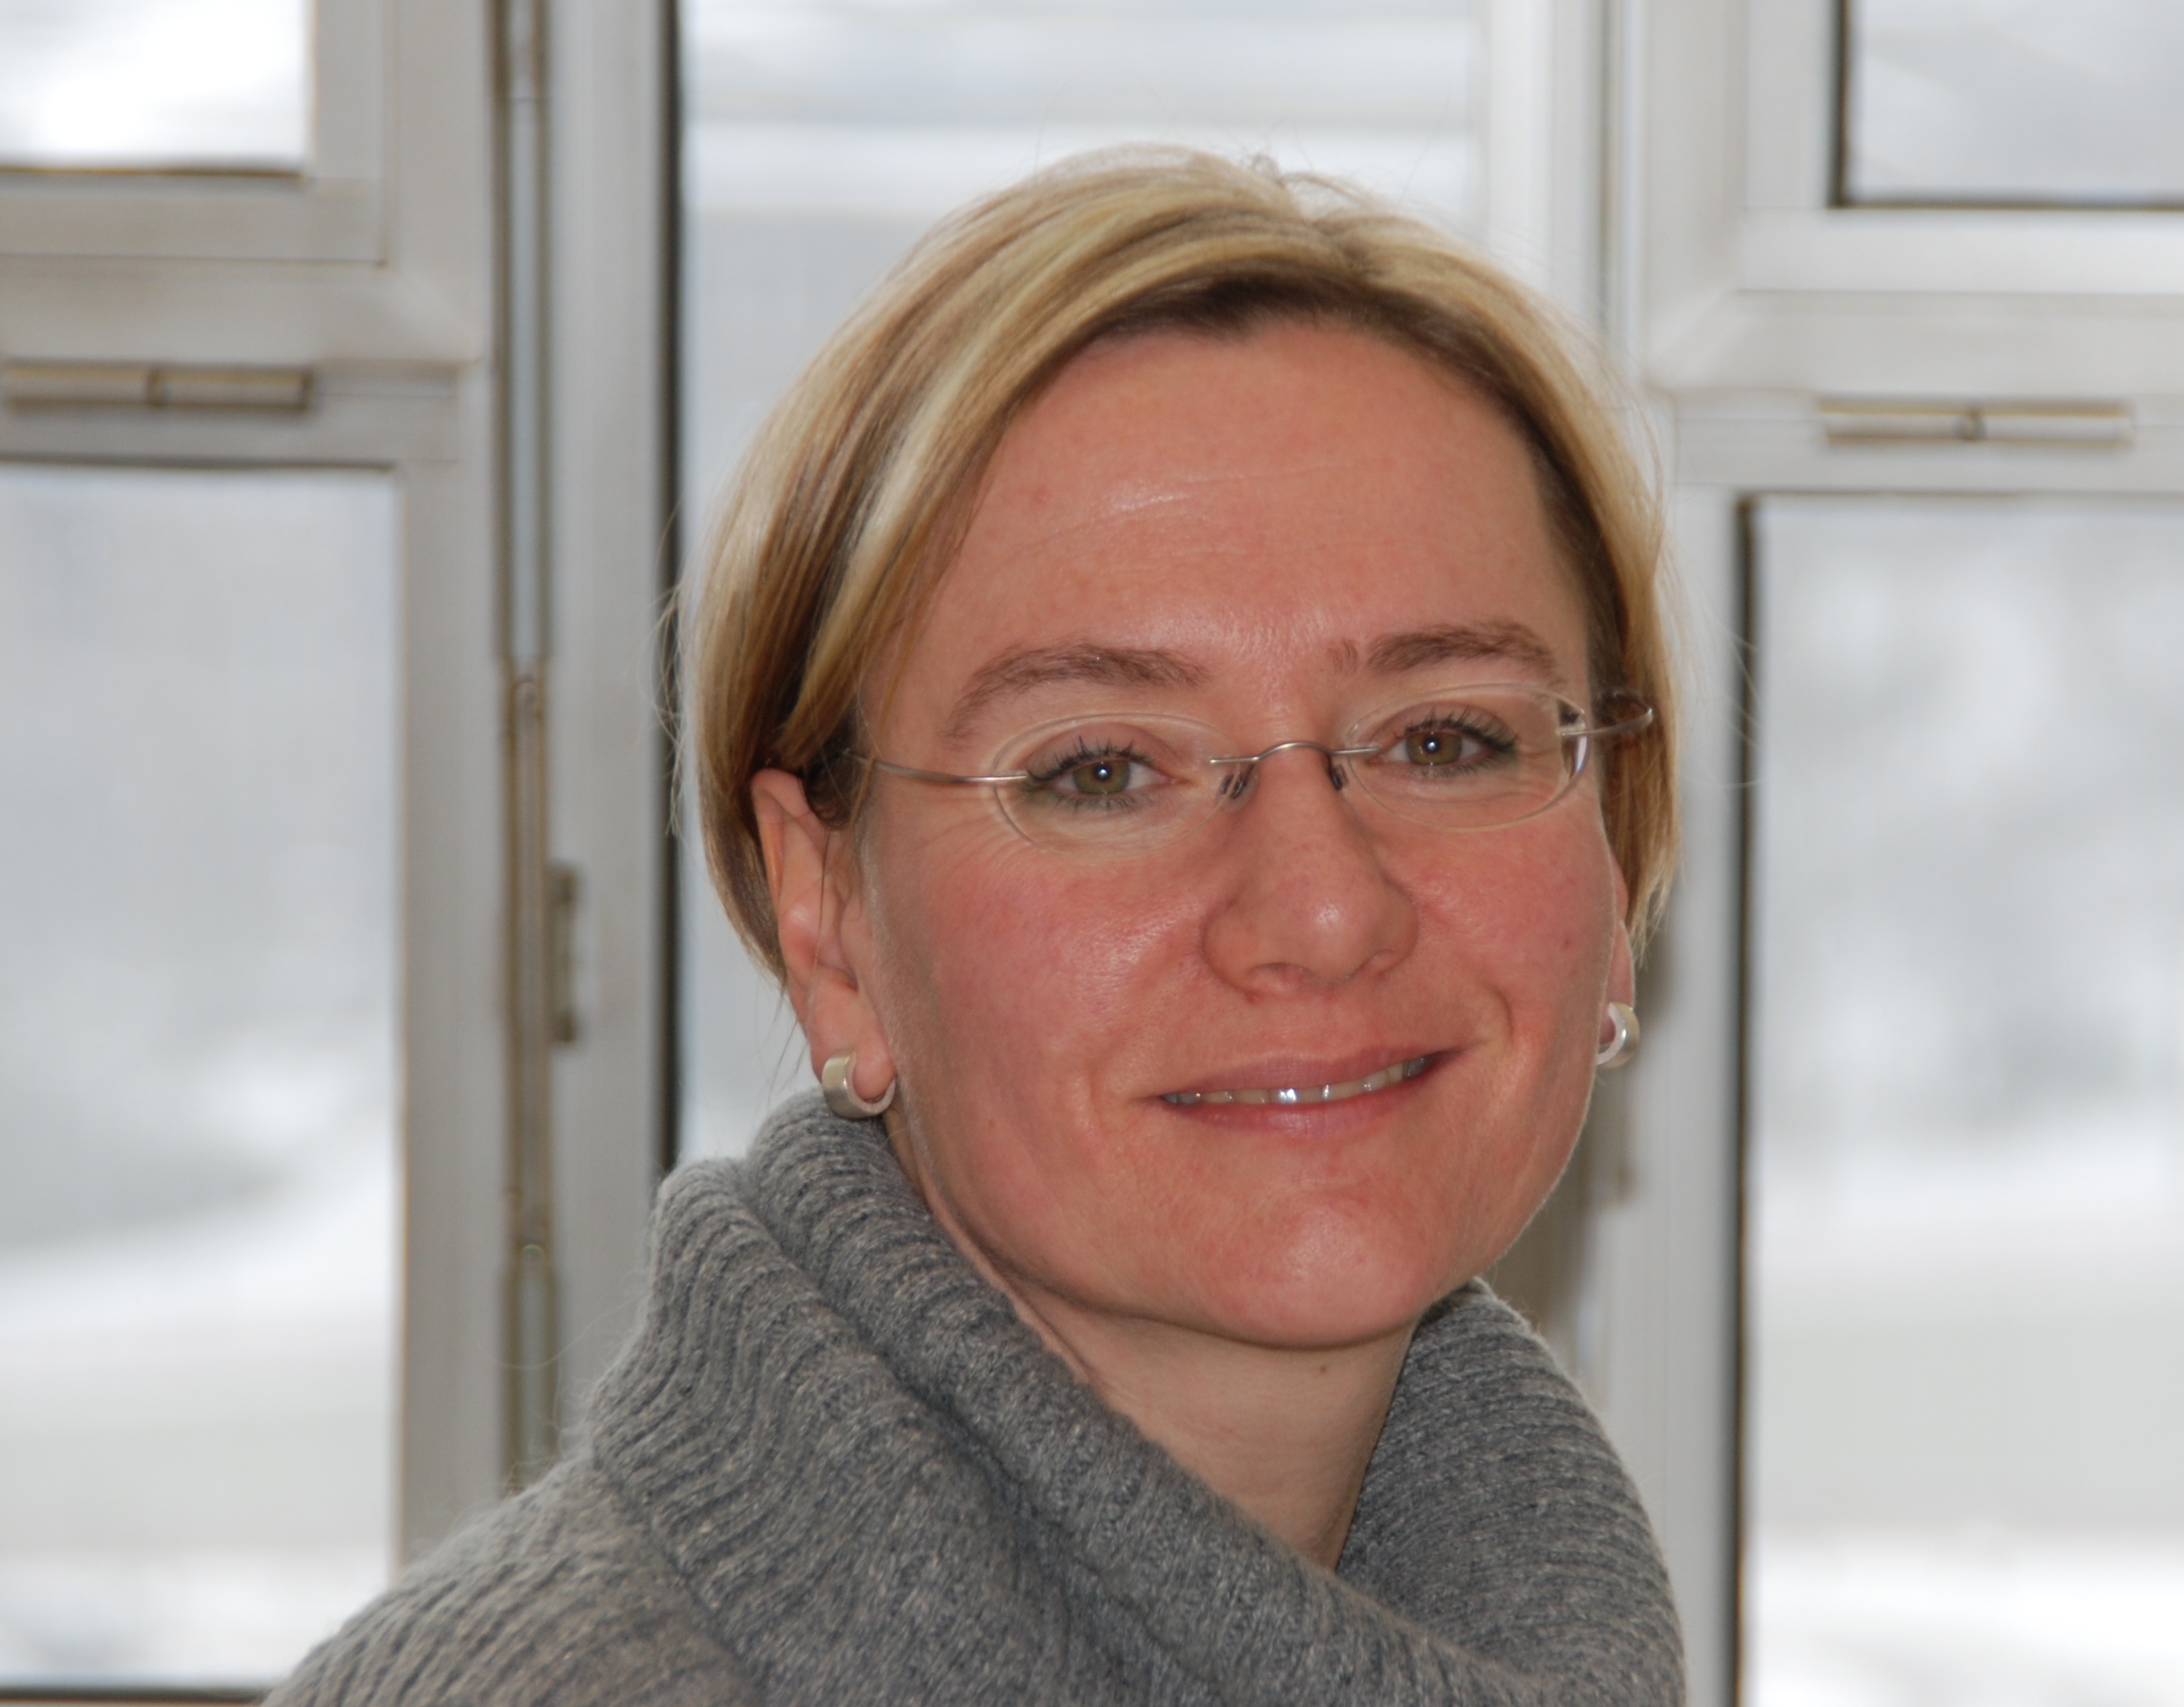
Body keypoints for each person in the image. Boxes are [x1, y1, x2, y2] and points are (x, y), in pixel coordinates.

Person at [270, 148, 1684, 1705]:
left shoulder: (1542, 1627)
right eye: (1100, 771)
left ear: (1615, 850)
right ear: (830, 921)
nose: (1325, 909)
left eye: (1446, 740)